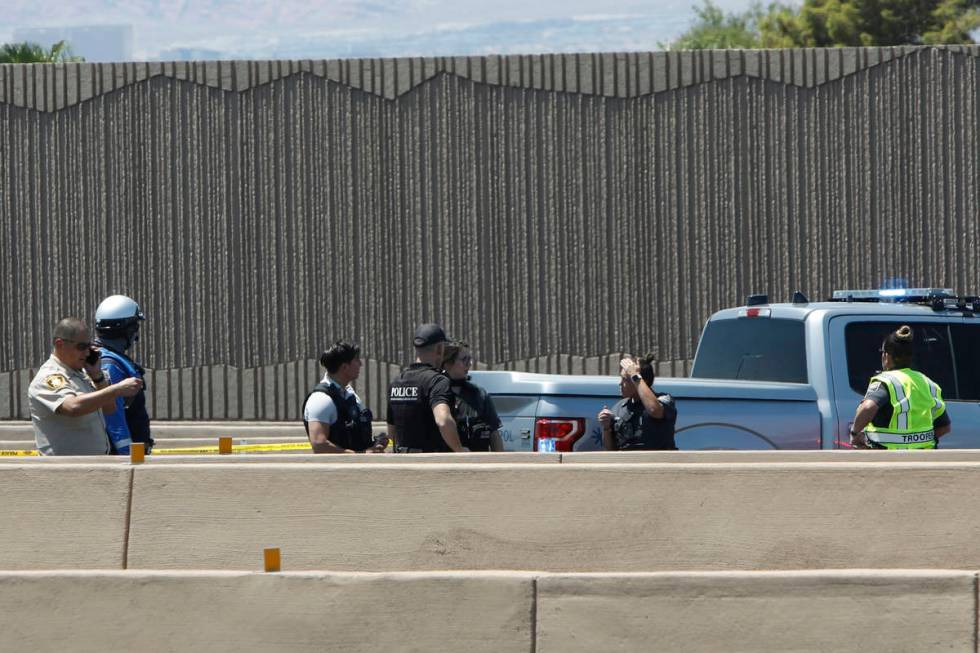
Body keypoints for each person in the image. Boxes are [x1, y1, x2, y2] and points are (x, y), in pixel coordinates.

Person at [28, 317, 143, 455]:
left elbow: (109, 408)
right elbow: (73, 407)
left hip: (90, 466)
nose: (88, 353)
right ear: (60, 344)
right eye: (82, 347)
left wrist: (98, 377)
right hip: (65, 471)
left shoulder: (83, 374)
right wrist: (116, 389)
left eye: (89, 347)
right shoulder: (50, 376)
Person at [850, 325, 950, 449]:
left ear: (886, 356)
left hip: (890, 460)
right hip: (924, 459)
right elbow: (945, 427)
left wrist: (854, 433)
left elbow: (868, 407)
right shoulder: (928, 383)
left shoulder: (885, 381)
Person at [387, 323, 466, 453]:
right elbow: (443, 420)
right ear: (440, 349)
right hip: (431, 463)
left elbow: (391, 431)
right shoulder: (438, 381)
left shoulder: (397, 382)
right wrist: (459, 450)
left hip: (402, 463)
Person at [303, 341, 386, 453]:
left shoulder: (349, 394)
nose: (360, 364)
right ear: (344, 367)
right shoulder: (321, 399)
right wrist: (361, 455)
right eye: (356, 360)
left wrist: (375, 444)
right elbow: (319, 444)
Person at [95, 294, 153, 455]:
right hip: (123, 457)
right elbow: (114, 418)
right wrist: (129, 455)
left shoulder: (108, 359)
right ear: (128, 330)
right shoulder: (111, 365)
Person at [598, 354, 678, 451]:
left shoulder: (664, 399)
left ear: (643, 380)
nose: (620, 383)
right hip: (629, 464)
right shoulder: (619, 407)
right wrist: (606, 428)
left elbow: (654, 410)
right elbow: (611, 449)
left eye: (625, 379)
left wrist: (634, 375)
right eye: (621, 378)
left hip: (657, 463)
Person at [441, 340, 503, 452]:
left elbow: (494, 433)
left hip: (479, 463)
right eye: (464, 359)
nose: (469, 364)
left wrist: (502, 464)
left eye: (470, 359)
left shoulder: (479, 394)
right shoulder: (437, 393)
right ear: (448, 363)